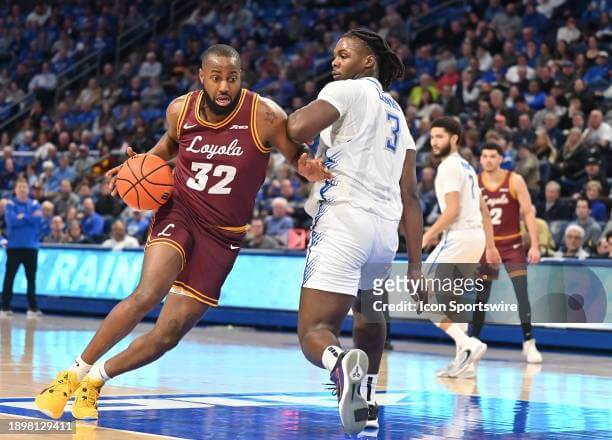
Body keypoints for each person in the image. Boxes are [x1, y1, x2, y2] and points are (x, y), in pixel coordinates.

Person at [35, 44, 330, 420]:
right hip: (180, 211)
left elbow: (296, 155)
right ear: (202, 77)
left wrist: (307, 169)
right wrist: (134, 168)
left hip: (223, 236)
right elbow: (166, 148)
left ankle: (97, 380)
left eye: (233, 78)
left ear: (241, 77)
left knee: (167, 335)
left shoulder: (264, 114)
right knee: (148, 293)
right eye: (217, 77)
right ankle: (71, 375)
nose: (225, 86)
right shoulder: (180, 109)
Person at [287, 29, 422, 434]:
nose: (334, 62)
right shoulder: (398, 113)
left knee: (315, 330)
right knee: (369, 314)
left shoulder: (346, 91)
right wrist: (415, 265)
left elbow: (295, 126)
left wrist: (295, 153)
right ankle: (368, 399)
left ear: (368, 62)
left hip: (345, 218)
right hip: (385, 235)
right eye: (334, 56)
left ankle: (339, 364)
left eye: (343, 54)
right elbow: (411, 195)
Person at [421, 117, 500, 379]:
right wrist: (489, 245)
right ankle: (465, 363)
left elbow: (453, 211)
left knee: (419, 291)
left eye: (440, 137)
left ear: (454, 138)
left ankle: (467, 344)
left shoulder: (449, 167)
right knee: (452, 299)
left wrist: (428, 234)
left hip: (459, 236)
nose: (434, 142)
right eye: (432, 137)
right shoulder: (467, 166)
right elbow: (484, 212)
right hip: (474, 237)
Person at [473, 142, 543, 363]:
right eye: (484, 156)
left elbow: (528, 214)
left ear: (501, 158)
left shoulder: (514, 180)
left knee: (521, 293)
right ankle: (472, 342)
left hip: (512, 245)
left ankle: (529, 342)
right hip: (487, 246)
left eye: (493, 156)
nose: (488, 160)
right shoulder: (474, 181)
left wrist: (534, 245)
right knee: (480, 297)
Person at [0, 179, 43, 319]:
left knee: (31, 279)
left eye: (25, 186)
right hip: (14, 247)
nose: (23, 189)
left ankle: (32, 308)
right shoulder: (10, 204)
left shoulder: (35, 203)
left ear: (28, 189)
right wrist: (29, 217)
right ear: (15, 189)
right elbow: (11, 221)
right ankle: (5, 307)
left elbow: (38, 220)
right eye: (20, 186)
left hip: (31, 247)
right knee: (9, 277)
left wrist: (22, 217)